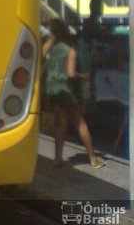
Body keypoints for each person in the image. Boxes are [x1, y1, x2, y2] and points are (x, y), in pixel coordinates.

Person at [42, 18, 105, 169]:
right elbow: (70, 74)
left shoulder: (53, 49)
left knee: (61, 123)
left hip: (52, 89)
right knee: (80, 122)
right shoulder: (70, 50)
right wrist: (84, 76)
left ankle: (57, 159)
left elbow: (42, 55)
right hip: (66, 90)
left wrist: (50, 40)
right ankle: (93, 159)